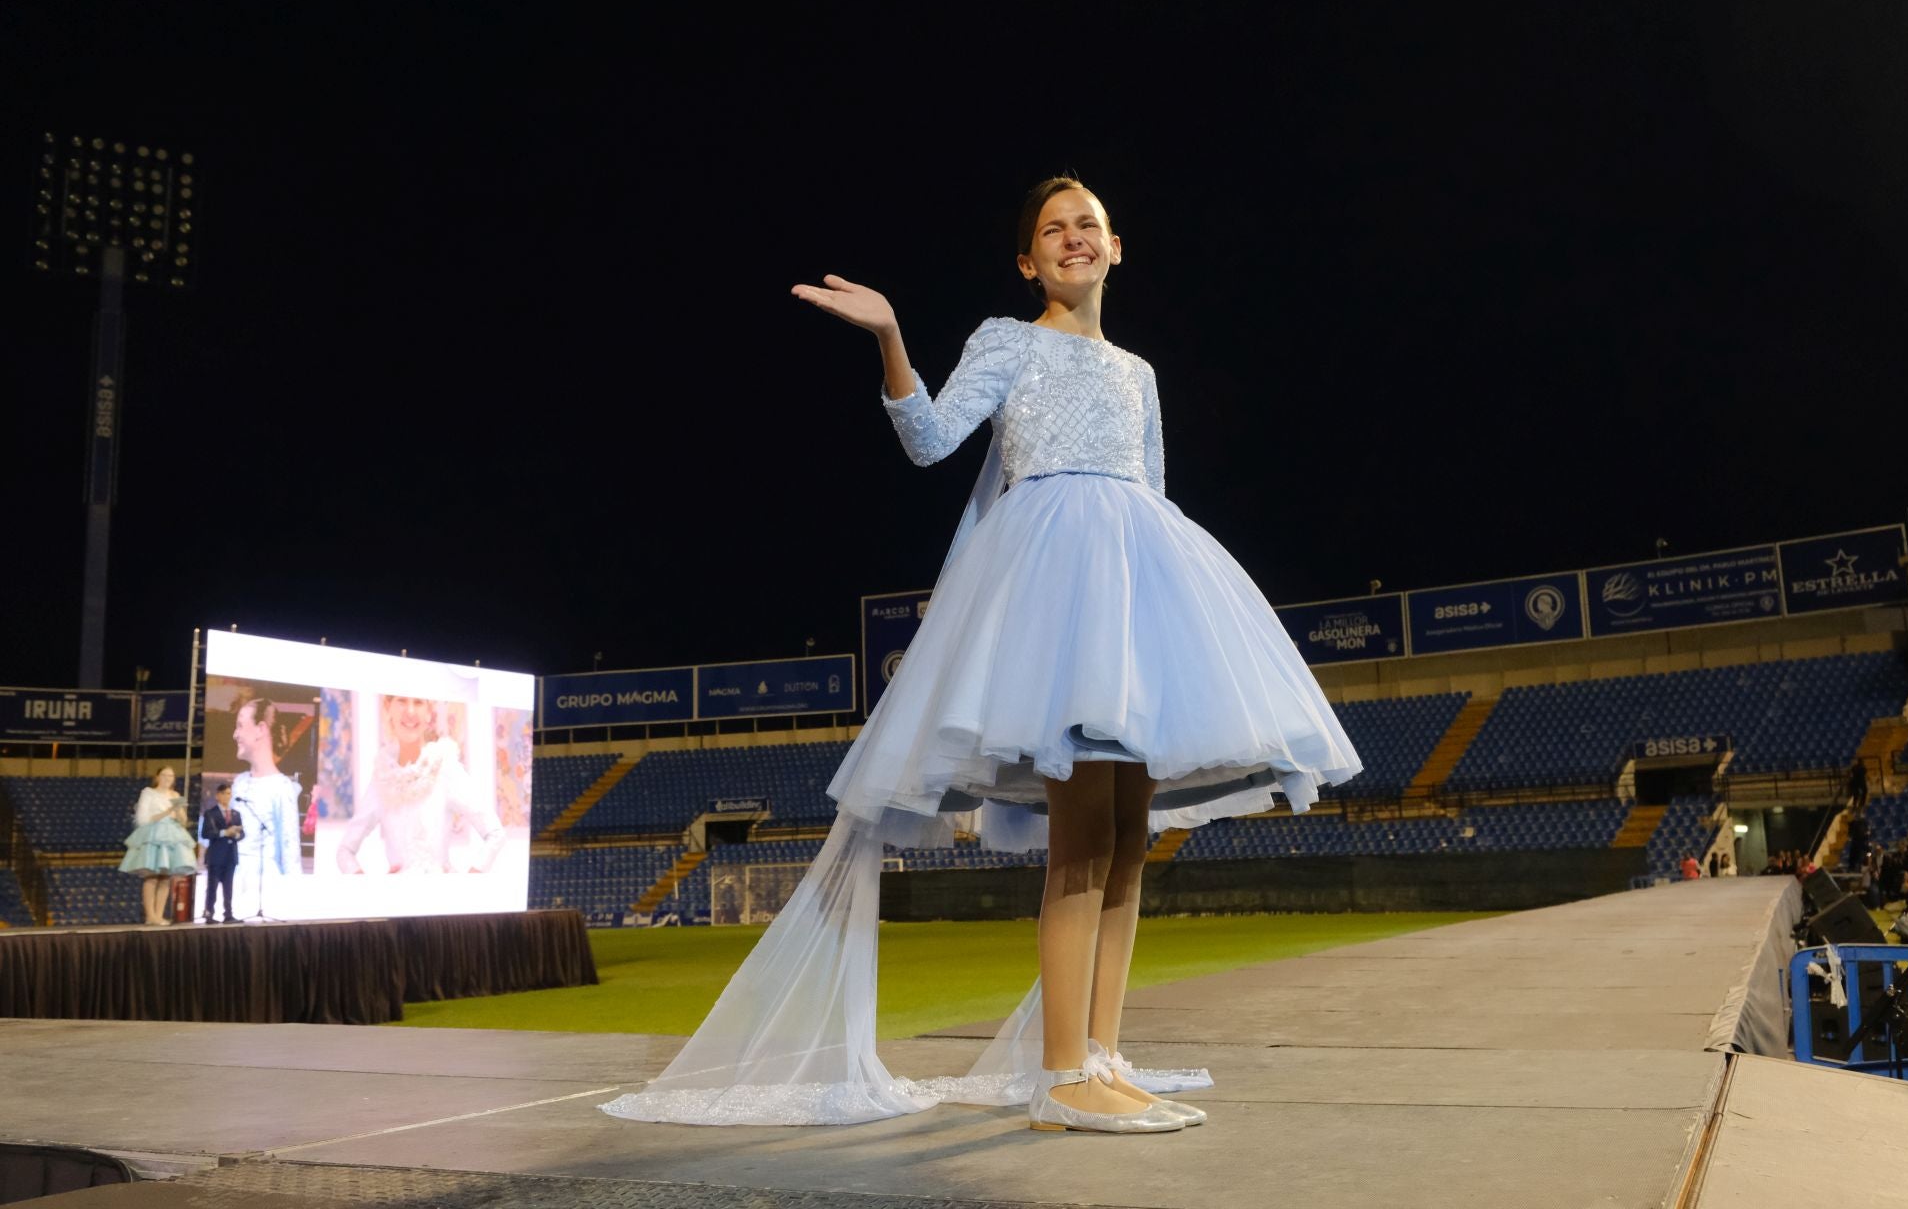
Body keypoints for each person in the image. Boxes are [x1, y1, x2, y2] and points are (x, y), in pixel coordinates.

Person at [601, 177, 1361, 1134]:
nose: (1074, 239)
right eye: (1054, 229)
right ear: (1027, 260)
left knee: (1130, 844)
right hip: (1055, 596)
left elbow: (1153, 490)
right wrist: (890, 338)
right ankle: (1060, 1081)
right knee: (1083, 842)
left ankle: (1102, 1054)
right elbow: (929, 441)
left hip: (1136, 587)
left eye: (1089, 225)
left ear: (1117, 246)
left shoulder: (1139, 373)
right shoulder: (1007, 341)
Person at [336, 694, 505, 874]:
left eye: (418, 703)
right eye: (401, 701)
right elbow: (344, 851)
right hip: (396, 900)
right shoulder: (383, 778)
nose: (410, 711)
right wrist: (372, 887)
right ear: (388, 707)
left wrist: (466, 883)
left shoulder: (444, 768)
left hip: (442, 899)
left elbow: (495, 833)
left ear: (428, 712)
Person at [230, 697, 303, 917]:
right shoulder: (239, 782)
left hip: (264, 885)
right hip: (233, 879)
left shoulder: (282, 788)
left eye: (241, 726)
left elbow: (290, 851)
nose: (235, 734)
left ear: (260, 729)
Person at [118, 766, 197, 924]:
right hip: (154, 834)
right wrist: (167, 812)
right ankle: (150, 916)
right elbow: (143, 819)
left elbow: (183, 821)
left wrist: (179, 811)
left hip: (172, 835)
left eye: (171, 776)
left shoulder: (176, 795)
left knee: (165, 877)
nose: (168, 778)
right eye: (165, 775)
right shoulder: (148, 793)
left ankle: (159, 915)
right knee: (152, 876)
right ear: (158, 776)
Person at [199, 782, 244, 923]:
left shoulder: (236, 814)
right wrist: (225, 832)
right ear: (218, 796)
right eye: (224, 793)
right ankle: (209, 913)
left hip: (230, 855)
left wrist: (236, 834)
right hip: (216, 855)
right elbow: (206, 833)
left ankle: (228, 914)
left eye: (229, 793)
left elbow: (242, 834)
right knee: (212, 886)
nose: (227, 796)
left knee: (228, 887)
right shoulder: (211, 813)